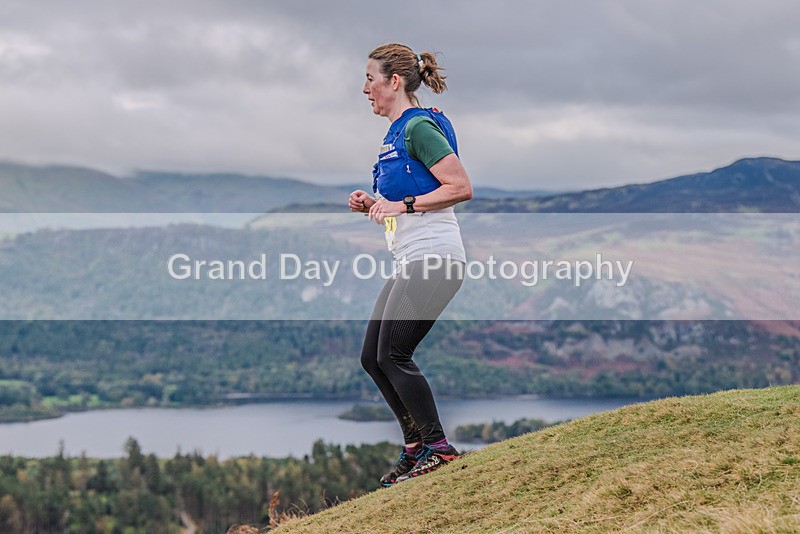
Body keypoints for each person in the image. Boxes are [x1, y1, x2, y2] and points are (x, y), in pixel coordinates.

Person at [348, 43, 473, 485]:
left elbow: (459, 186)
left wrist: (402, 204)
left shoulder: (418, 127)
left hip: (436, 257)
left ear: (393, 81)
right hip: (413, 259)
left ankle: (438, 449)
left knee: (394, 354)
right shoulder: (396, 132)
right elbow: (408, 199)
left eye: (369, 79)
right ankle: (416, 447)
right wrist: (373, 205)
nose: (365, 89)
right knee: (373, 357)